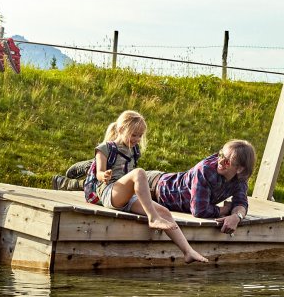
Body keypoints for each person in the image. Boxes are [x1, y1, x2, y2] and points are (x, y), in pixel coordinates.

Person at [85, 110, 208, 264]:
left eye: (140, 135)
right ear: (121, 129)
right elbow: (99, 173)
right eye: (134, 134)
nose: (137, 139)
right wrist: (104, 175)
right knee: (139, 173)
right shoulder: (105, 148)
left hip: (126, 196)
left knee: (164, 212)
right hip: (110, 192)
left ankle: (188, 251)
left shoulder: (133, 150)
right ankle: (153, 218)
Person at [147, 139, 256, 236]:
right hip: (152, 186)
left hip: (161, 192)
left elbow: (241, 202)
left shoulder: (240, 178)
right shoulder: (205, 170)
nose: (221, 161)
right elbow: (199, 210)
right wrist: (226, 209)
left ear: (240, 169)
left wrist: (236, 217)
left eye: (227, 161)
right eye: (221, 155)